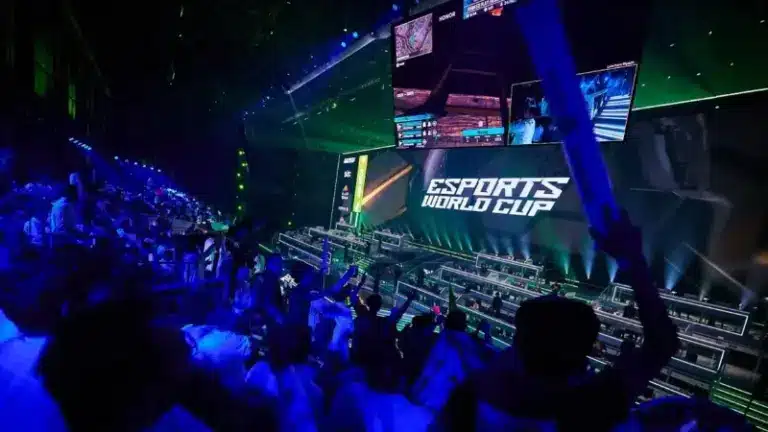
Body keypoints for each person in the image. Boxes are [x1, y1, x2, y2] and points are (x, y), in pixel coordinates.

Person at [436, 209, 679, 431]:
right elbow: (662, 344)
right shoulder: (594, 407)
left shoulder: (474, 392)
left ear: (520, 343)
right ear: (583, 355)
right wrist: (633, 261)